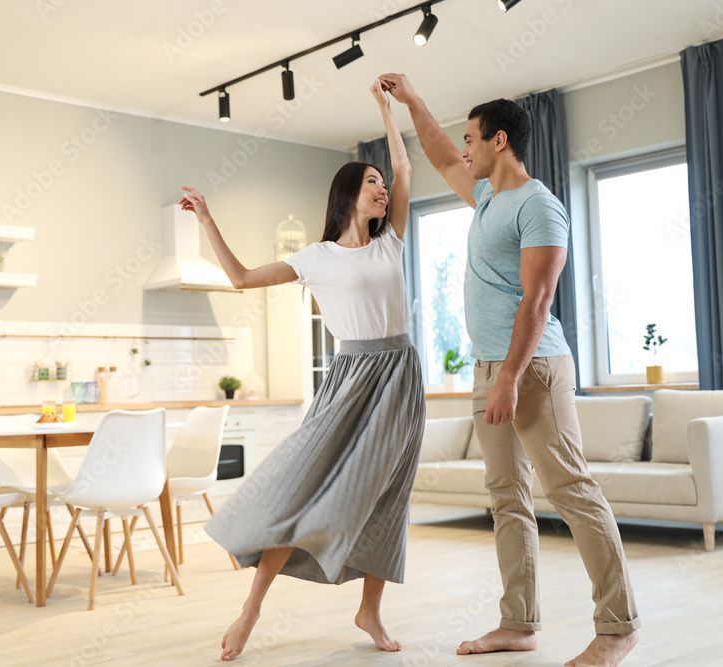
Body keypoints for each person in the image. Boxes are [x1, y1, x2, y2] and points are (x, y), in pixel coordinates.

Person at [378, 72, 641, 667]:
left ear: (499, 141)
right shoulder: (491, 198)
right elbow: (441, 154)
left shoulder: (539, 205)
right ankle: (518, 622)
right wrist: (415, 101)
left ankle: (619, 626)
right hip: (489, 367)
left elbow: (537, 301)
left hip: (534, 368)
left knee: (573, 490)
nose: (462, 148)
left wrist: (510, 378)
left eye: (472, 138)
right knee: (507, 498)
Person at [178, 80, 426, 662]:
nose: (384, 190)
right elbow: (240, 279)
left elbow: (405, 166)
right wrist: (208, 219)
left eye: (384, 187)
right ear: (347, 194)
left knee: (388, 496)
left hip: (401, 377)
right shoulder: (313, 259)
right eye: (372, 184)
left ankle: (370, 608)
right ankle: (251, 609)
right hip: (351, 379)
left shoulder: (391, 243)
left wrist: (387, 111)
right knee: (307, 492)